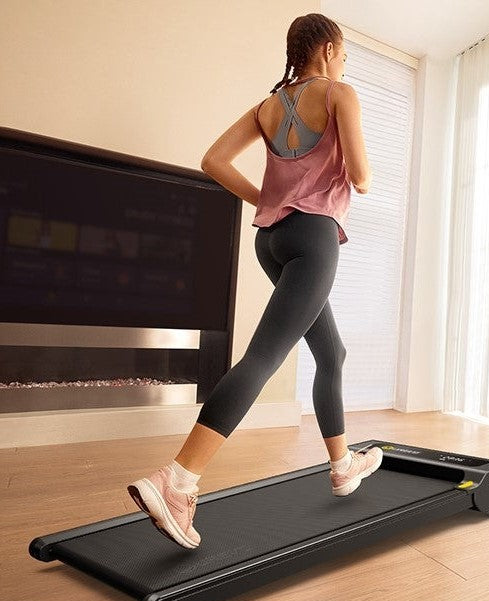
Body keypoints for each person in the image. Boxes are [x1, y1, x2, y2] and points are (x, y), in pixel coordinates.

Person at [127, 13, 383, 550]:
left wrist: (268, 201)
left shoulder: (269, 106)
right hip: (314, 240)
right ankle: (177, 480)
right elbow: (360, 178)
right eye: (344, 52)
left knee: (330, 353)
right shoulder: (340, 93)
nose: (344, 60)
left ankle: (342, 466)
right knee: (262, 360)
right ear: (331, 48)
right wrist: (355, 175)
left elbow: (213, 160)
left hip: (272, 241)